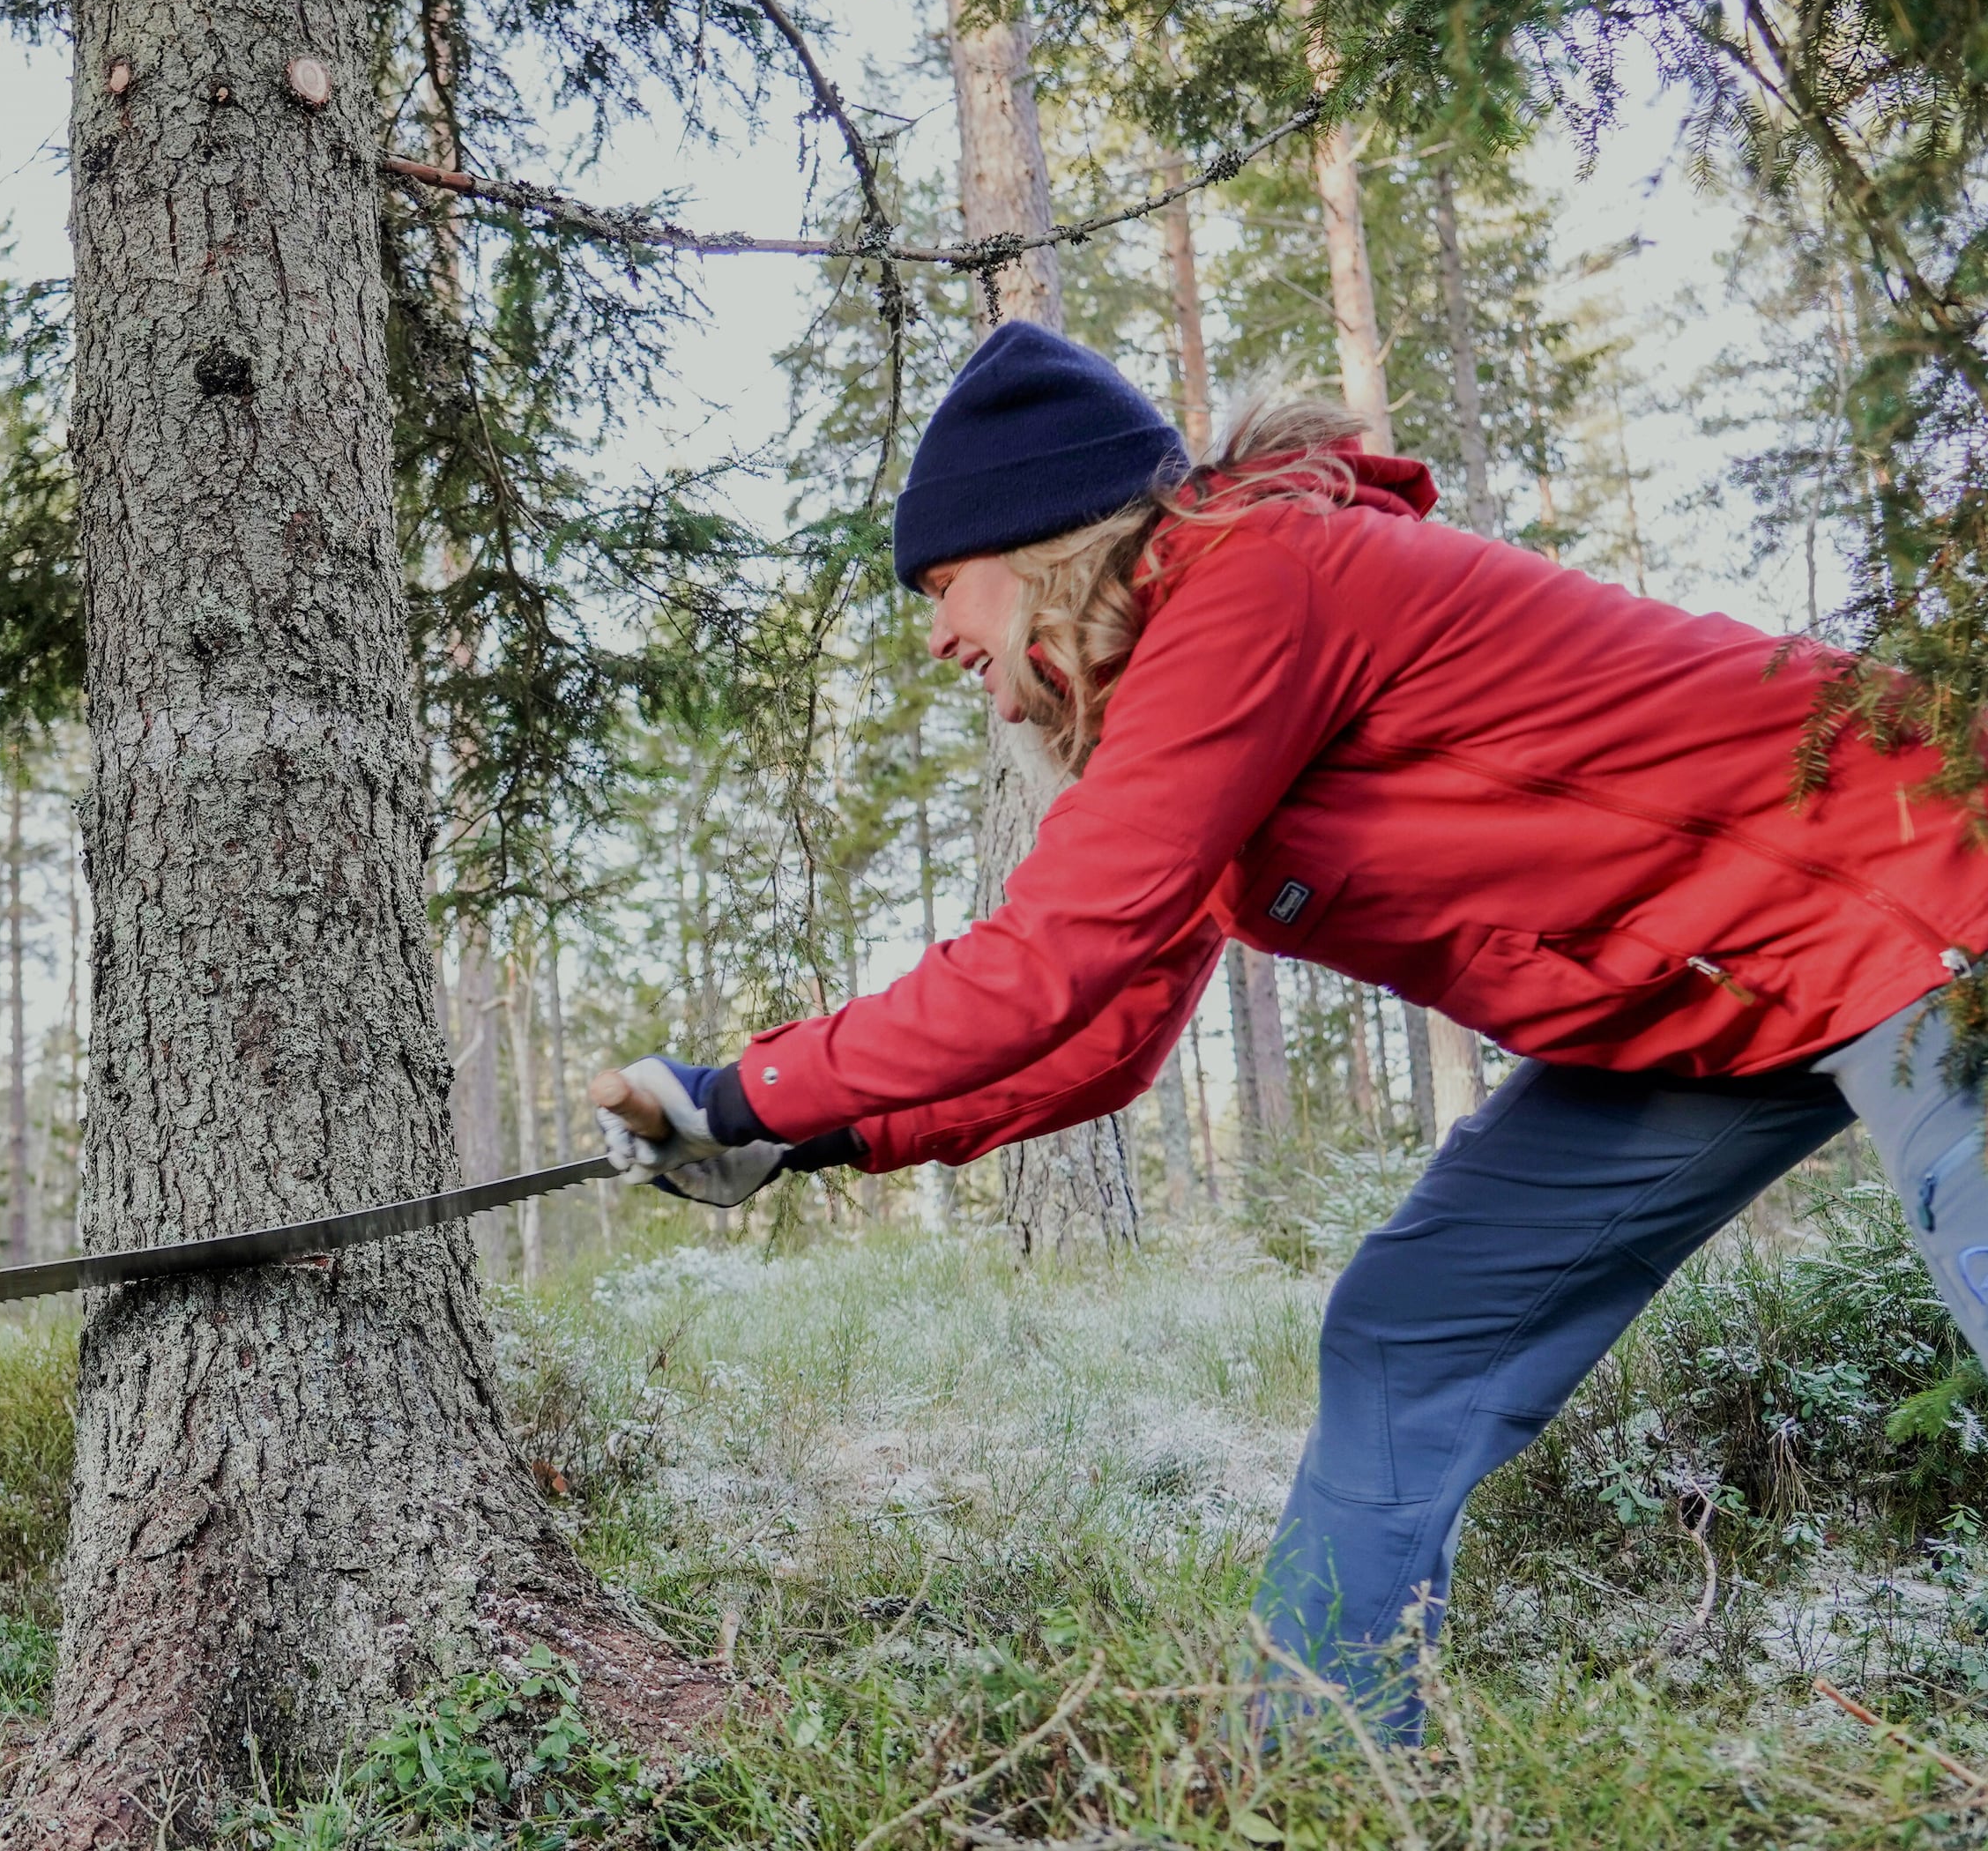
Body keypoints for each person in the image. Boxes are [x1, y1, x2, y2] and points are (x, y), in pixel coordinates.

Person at [596, 320, 1988, 1739]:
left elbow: (1057, 954)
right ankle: (1323, 1780)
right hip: (1716, 998)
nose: (941, 634)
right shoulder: (1199, 695)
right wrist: (815, 1133)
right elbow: (1103, 1039)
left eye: (948, 584)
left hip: (1928, 891)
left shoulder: (1260, 585)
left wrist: (746, 1087)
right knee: (1417, 1324)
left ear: (1048, 544)